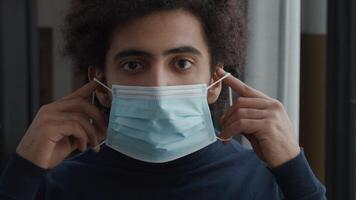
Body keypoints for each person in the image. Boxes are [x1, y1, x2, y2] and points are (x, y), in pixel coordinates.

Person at [0, 0, 326, 199]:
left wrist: (296, 172)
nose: (158, 86)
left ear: (215, 81)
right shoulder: (57, 184)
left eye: (182, 63)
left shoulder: (264, 180)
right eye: (133, 64)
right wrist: (23, 172)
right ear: (99, 82)